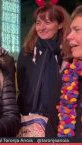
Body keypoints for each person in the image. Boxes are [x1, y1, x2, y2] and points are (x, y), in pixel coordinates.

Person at [17, 3, 70, 119]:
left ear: (60, 24)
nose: (42, 28)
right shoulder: (27, 52)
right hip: (29, 116)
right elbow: (22, 87)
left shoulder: (67, 53)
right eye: (38, 23)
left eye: (47, 22)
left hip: (60, 117)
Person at [45, 5, 82, 137]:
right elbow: (52, 126)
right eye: (70, 30)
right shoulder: (67, 76)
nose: (68, 36)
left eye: (77, 30)